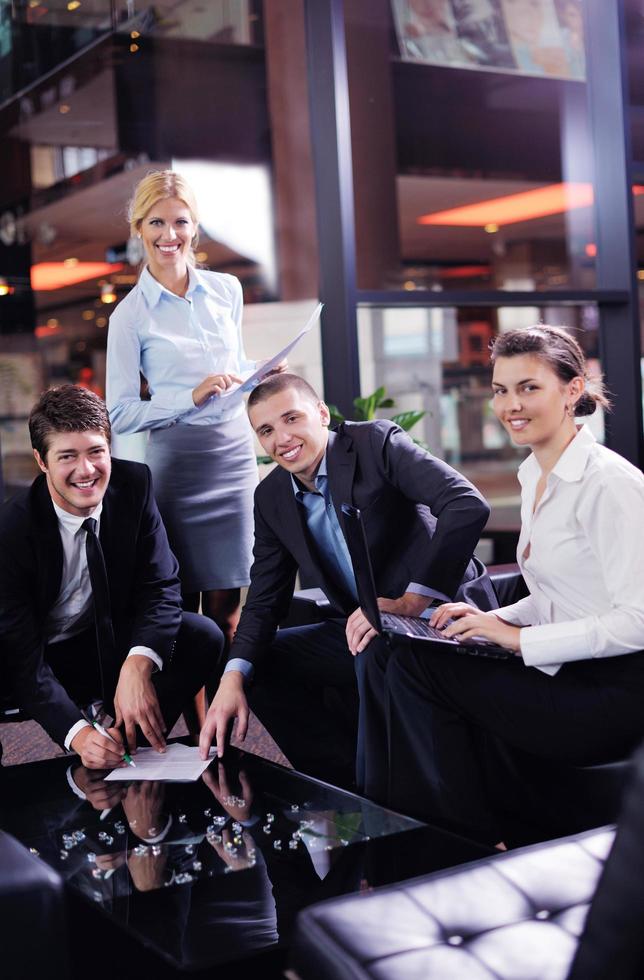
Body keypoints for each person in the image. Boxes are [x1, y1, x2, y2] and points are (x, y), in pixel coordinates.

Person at [361, 325, 644, 845]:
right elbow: (571, 593)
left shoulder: (611, 485)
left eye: (529, 387)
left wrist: (515, 639)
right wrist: (498, 620)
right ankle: (415, 828)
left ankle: (456, 844)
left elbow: (638, 621)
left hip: (615, 696)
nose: (511, 404)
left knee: (419, 667)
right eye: (500, 390)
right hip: (567, 671)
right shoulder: (534, 472)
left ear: (573, 390)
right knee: (398, 651)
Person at [198, 372, 497, 789]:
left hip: (441, 618)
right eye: (266, 430)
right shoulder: (271, 498)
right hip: (364, 631)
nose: (281, 438)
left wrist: (411, 600)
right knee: (258, 665)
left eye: (291, 419)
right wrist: (232, 676)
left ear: (322, 415)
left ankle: (392, 793)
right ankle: (345, 789)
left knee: (375, 659)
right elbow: (264, 598)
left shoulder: (374, 444)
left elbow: (466, 504)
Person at [0, 385, 223, 769]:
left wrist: (138, 664)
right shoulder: (12, 528)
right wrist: (78, 734)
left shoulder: (133, 485)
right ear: (42, 461)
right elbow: (21, 655)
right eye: (67, 456)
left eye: (96, 452)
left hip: (99, 645)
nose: (86, 471)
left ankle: (125, 744)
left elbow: (161, 587)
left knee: (202, 635)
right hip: (25, 657)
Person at [105, 170, 264, 655]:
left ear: (195, 227)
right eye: (156, 223)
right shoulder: (129, 315)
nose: (168, 235)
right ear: (138, 228)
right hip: (178, 464)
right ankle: (197, 731)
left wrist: (260, 375)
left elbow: (234, 369)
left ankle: (220, 729)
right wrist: (188, 398)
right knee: (181, 611)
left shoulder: (227, 290)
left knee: (229, 612)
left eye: (180, 222)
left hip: (233, 457)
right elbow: (121, 413)